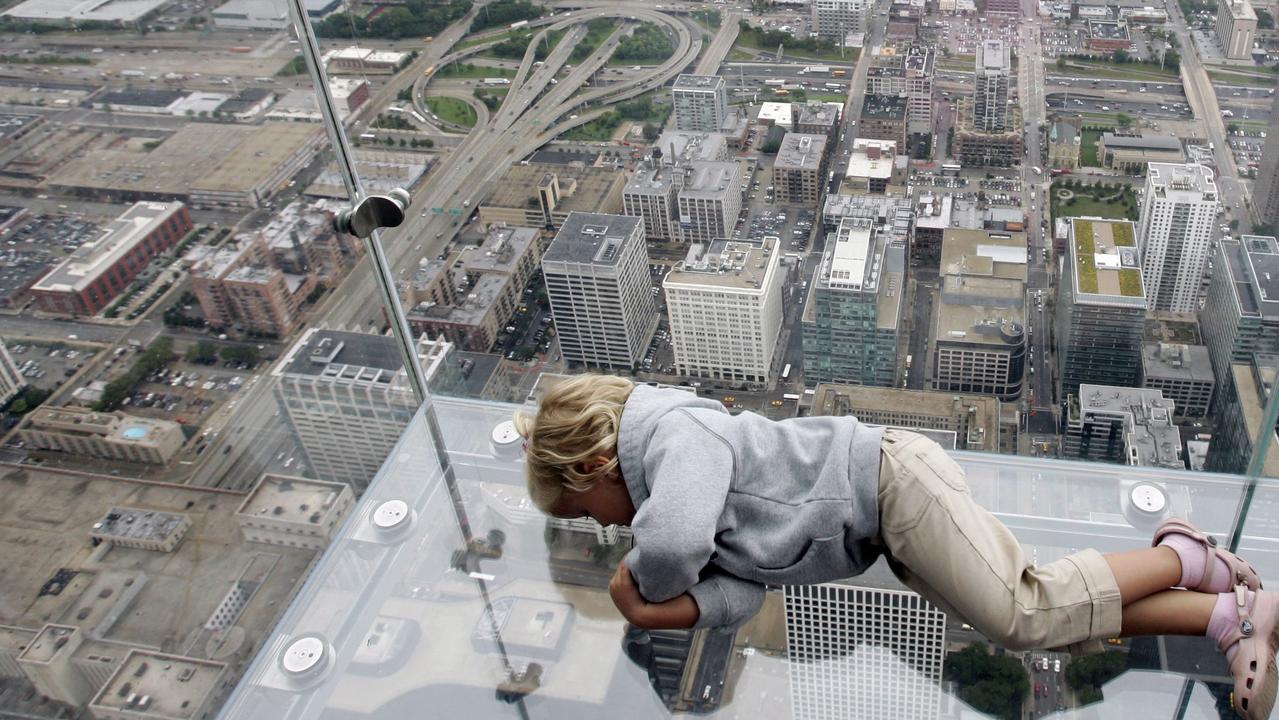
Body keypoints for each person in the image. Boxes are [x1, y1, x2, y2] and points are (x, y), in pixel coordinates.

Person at [515, 375, 1277, 719]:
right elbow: (743, 590)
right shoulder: (676, 491)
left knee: (1025, 611)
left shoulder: (678, 435)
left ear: (594, 465)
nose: (611, 529)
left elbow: (672, 540)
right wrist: (674, 614)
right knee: (1035, 614)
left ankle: (1189, 556)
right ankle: (1220, 619)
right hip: (883, 519)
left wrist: (638, 586)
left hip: (890, 484)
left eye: (592, 511)